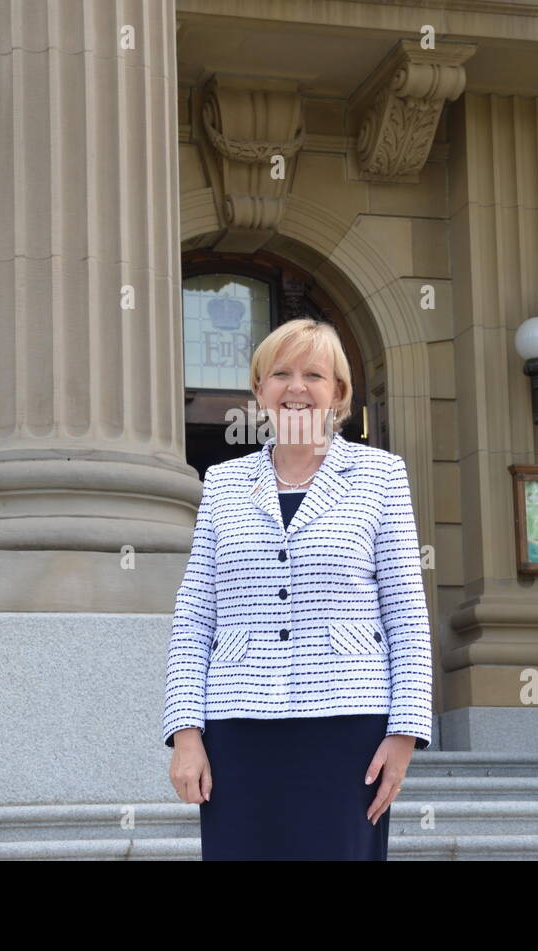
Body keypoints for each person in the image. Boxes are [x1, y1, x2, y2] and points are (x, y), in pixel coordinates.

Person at [161, 317, 433, 861]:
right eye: (280, 373)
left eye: (314, 374)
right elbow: (195, 616)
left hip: (347, 723)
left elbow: (405, 611)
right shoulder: (222, 482)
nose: (297, 387)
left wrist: (404, 734)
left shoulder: (381, 475)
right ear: (260, 390)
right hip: (238, 722)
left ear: (339, 393)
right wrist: (185, 734)